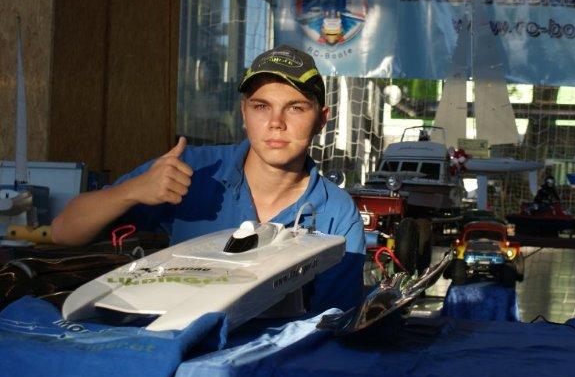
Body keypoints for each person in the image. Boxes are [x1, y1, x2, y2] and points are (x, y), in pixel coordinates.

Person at [52, 44, 366, 316]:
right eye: (261, 106)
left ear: (321, 119)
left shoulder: (337, 213)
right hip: (175, 351)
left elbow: (334, 326)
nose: (276, 122)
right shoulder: (192, 170)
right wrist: (132, 191)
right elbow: (64, 231)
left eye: (295, 108)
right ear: (243, 113)